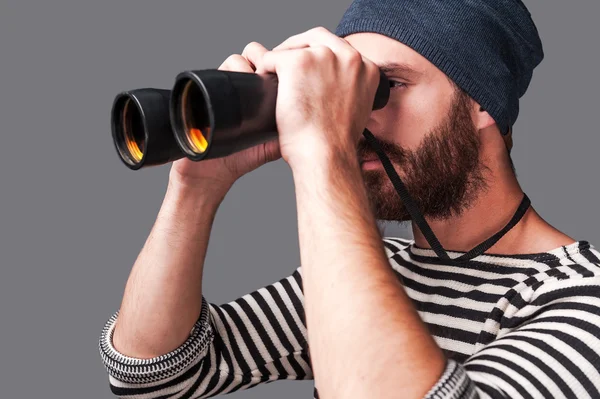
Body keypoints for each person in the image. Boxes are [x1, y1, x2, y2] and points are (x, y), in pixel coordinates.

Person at [98, 1, 600, 398]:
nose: (357, 119)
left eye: (385, 88)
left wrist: (323, 150)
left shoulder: (580, 295)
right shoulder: (375, 268)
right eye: (352, 92)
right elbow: (152, 374)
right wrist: (195, 187)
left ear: (482, 104)